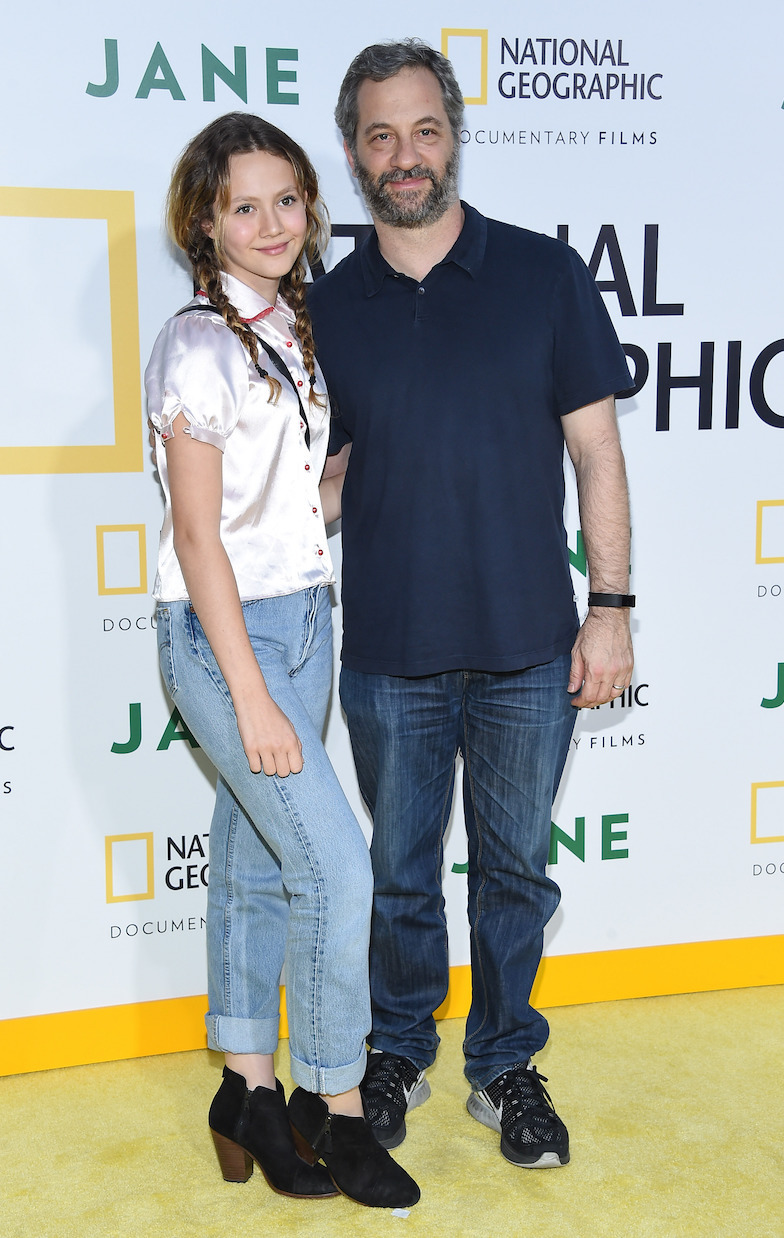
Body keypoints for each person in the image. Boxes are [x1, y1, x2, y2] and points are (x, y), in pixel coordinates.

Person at [307, 41, 635, 1170]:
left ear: (454, 134)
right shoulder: (326, 304)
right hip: (388, 648)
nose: (405, 156)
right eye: (380, 135)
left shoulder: (543, 276)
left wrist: (612, 607)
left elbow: (595, 451)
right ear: (353, 153)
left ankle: (503, 1066)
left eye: (424, 129)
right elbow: (332, 469)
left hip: (527, 648)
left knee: (511, 874)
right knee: (400, 877)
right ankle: (395, 1050)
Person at [146, 112, 419, 1209]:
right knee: (336, 867)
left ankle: (245, 1088)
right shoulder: (198, 341)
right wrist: (250, 693)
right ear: (202, 222)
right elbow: (201, 535)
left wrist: (363, 477)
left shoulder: (291, 329)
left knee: (258, 861)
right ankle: (335, 1104)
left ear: (311, 209)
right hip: (227, 638)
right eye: (242, 205)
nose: (269, 222)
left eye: (287, 200)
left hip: (305, 616)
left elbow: (279, 511)